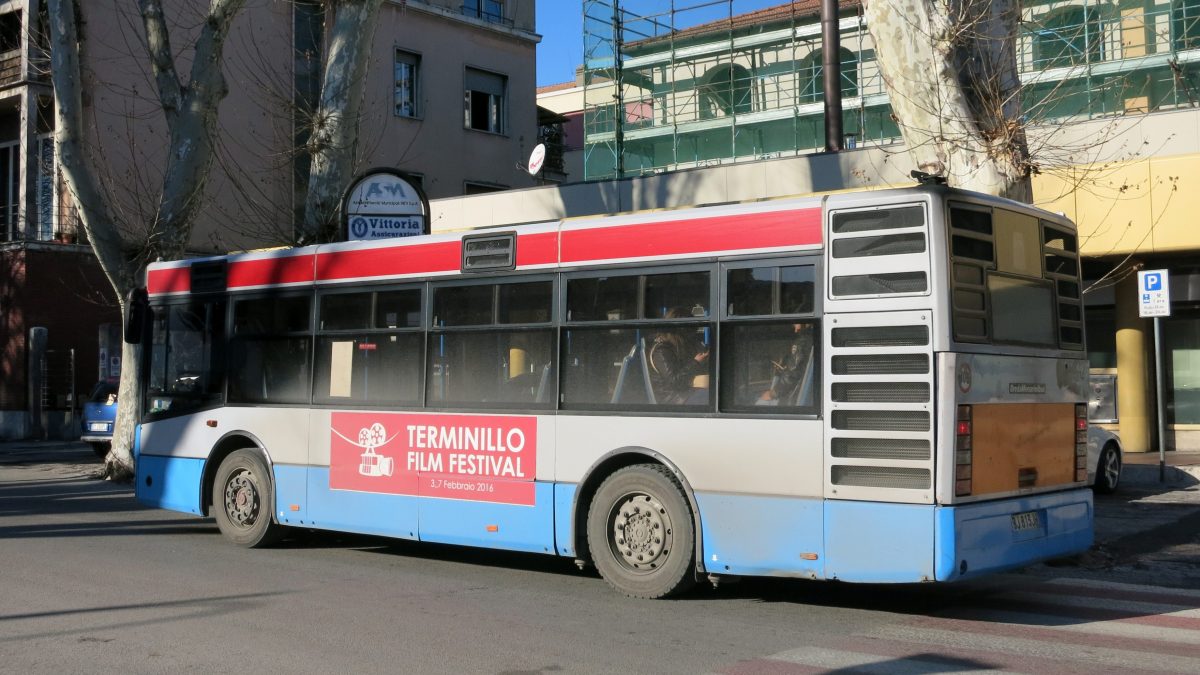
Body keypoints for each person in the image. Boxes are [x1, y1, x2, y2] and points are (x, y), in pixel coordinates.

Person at [647, 308, 709, 405]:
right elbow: (674, 381)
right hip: (673, 397)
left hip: (688, 390)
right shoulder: (662, 350)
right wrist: (696, 362)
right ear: (681, 331)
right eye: (689, 331)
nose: (692, 335)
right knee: (711, 398)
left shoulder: (681, 346)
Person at [759, 322, 814, 406]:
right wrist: (785, 367)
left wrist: (773, 393)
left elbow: (792, 374)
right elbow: (799, 366)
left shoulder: (802, 342)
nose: (796, 330)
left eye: (796, 325)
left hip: (797, 396)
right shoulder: (813, 337)